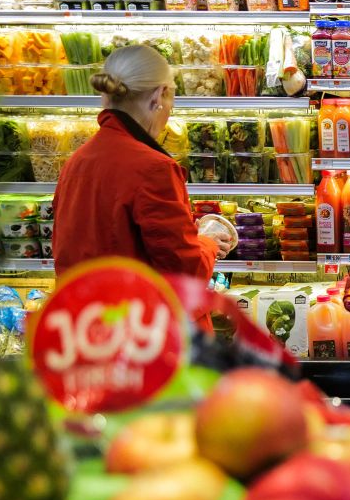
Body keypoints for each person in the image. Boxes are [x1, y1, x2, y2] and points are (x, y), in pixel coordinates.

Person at [52, 45, 235, 330]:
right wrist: (209, 242)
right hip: (149, 337)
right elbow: (186, 272)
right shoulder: (154, 168)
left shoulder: (77, 161)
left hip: (90, 330)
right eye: (171, 98)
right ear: (158, 96)